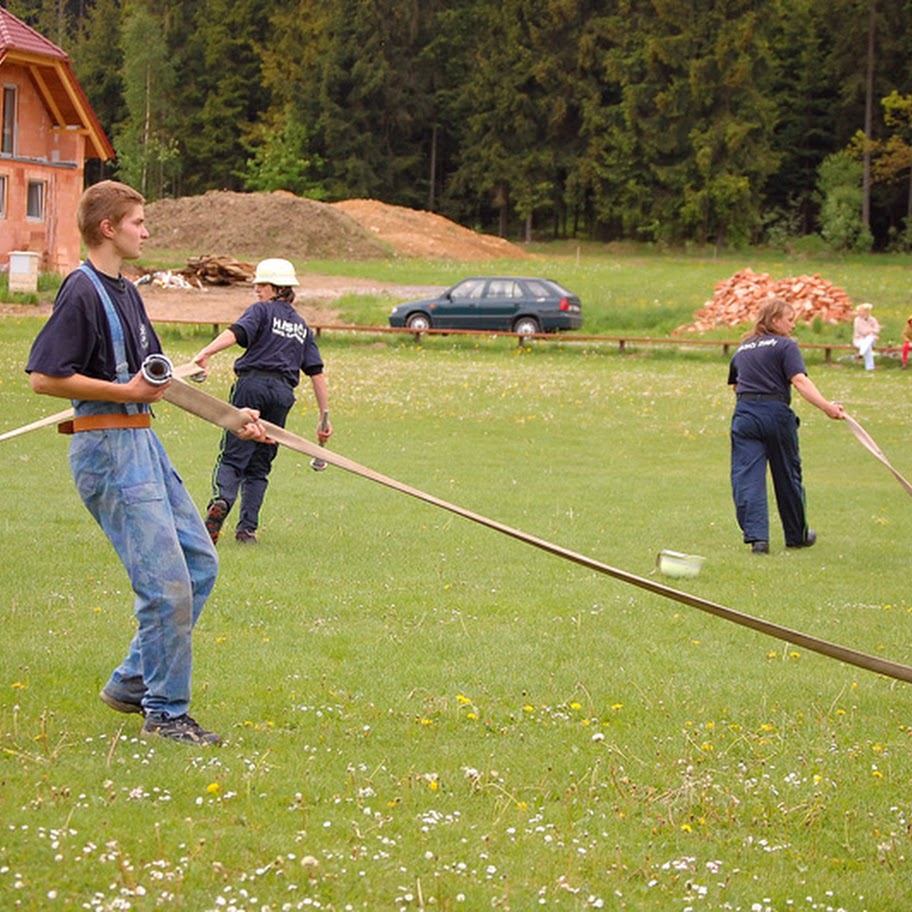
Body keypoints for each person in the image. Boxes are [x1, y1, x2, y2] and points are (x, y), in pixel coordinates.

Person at [25, 180, 266, 746]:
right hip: (107, 449)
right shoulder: (81, 292)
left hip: (142, 443)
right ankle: (165, 712)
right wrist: (124, 392)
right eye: (138, 222)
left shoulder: (127, 292)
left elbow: (155, 383)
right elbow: (44, 377)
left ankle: (133, 681)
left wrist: (236, 419)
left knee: (199, 566)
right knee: (166, 587)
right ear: (108, 228)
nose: (147, 231)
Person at [193, 258, 331, 545]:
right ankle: (247, 530)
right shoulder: (301, 327)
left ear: (277, 288)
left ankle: (221, 501)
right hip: (282, 395)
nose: (256, 289)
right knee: (260, 464)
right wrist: (323, 415)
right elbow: (316, 373)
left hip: (251, 386)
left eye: (262, 284)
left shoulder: (261, 311)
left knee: (234, 455)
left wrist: (205, 353)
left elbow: (235, 333)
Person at [728, 297, 845, 555]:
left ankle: (757, 539)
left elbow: (737, 385)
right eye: (789, 320)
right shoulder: (785, 346)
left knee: (746, 476)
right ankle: (796, 535)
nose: (793, 325)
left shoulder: (743, 347)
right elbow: (800, 382)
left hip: (745, 414)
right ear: (773, 320)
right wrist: (827, 407)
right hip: (775, 413)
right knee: (788, 475)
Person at [852, 302, 880, 371]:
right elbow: (862, 331)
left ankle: (861, 353)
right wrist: (871, 331)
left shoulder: (873, 319)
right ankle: (870, 367)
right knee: (867, 346)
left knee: (869, 338)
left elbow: (877, 329)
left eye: (861, 311)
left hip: (871, 340)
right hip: (859, 340)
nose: (859, 313)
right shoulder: (857, 320)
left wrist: (870, 332)